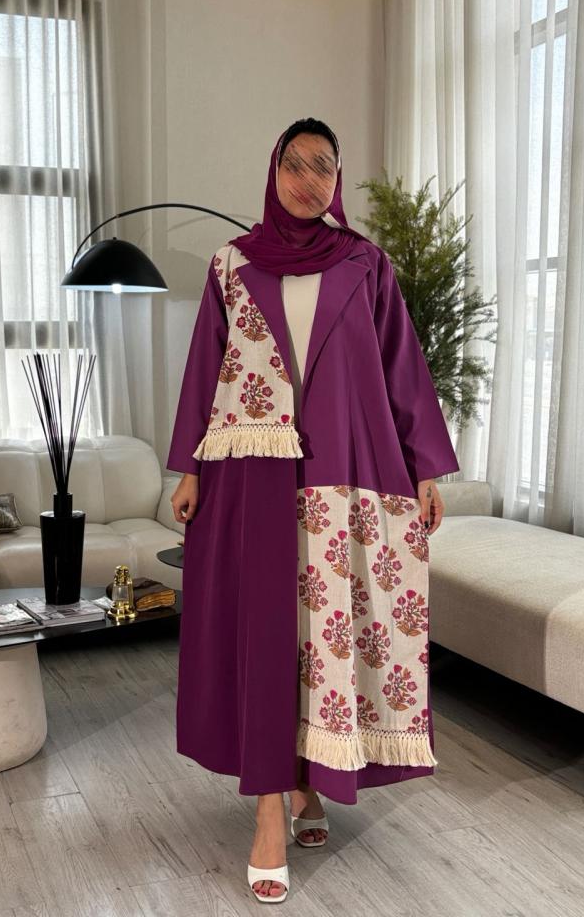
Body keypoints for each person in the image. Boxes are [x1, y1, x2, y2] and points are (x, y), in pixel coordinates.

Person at [166, 119, 460, 903]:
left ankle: (308, 784)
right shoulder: (232, 265)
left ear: (337, 178)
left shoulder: (366, 263)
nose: (306, 180)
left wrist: (427, 467)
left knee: (323, 638)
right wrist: (189, 466)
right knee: (268, 635)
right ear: (274, 173)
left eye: (321, 166)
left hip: (344, 476)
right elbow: (206, 368)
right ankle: (270, 809)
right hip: (253, 476)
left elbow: (402, 368)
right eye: (293, 165)